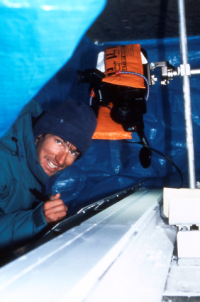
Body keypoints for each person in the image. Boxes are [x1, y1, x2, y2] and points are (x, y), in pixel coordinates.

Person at [0, 98, 97, 253]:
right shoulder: (3, 164)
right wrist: (37, 219)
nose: (61, 160)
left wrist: (46, 211)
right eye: (59, 142)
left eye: (73, 152)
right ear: (40, 135)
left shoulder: (35, 162)